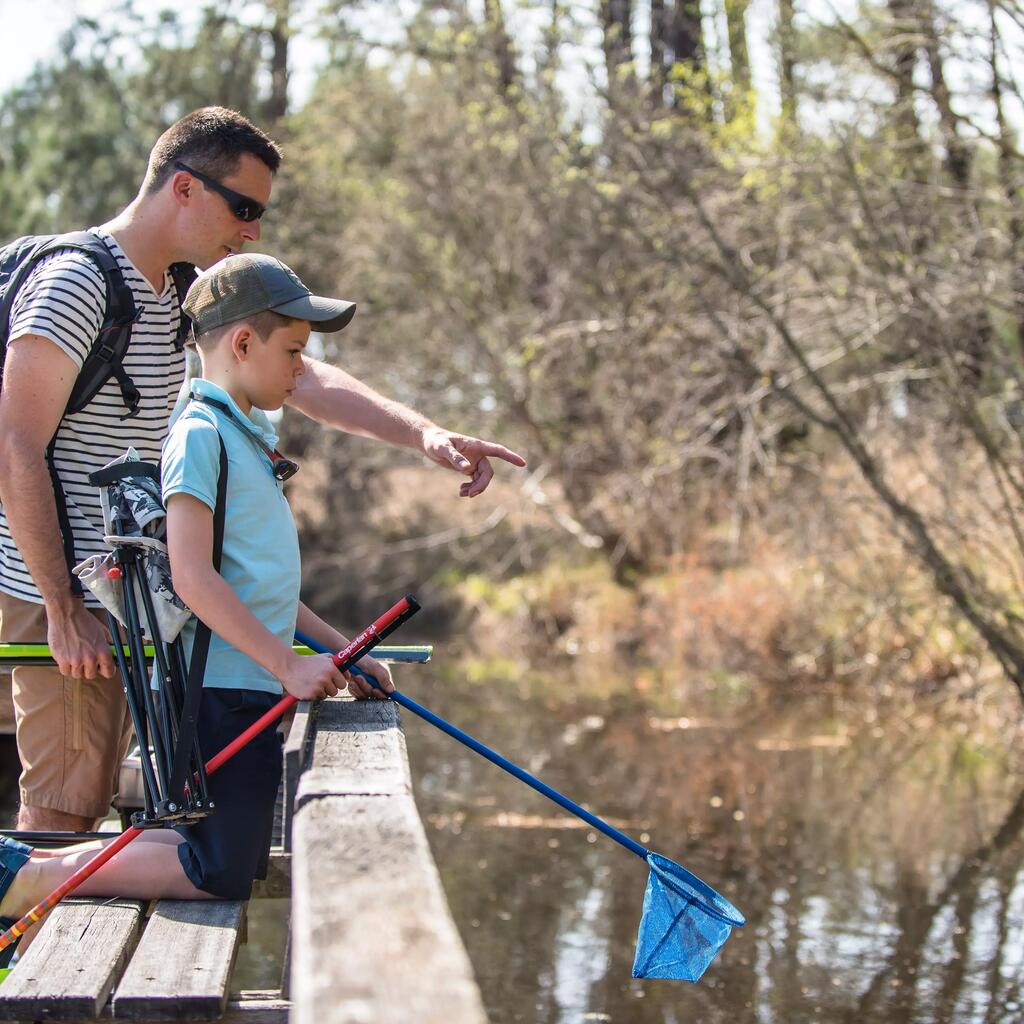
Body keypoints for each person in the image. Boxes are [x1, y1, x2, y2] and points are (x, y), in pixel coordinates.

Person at [0, 107, 526, 835]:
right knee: (60, 810)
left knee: (89, 800)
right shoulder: (78, 286)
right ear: (183, 188)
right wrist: (60, 611)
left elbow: (302, 378)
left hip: (124, 598)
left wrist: (426, 434)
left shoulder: (176, 288)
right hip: (60, 595)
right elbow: (15, 447)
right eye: (243, 208)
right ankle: (30, 943)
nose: (251, 231)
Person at [0, 253, 398, 933]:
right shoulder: (200, 435)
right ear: (243, 344)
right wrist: (286, 665)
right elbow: (192, 577)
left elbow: (266, 590)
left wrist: (340, 650)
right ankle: (27, 877)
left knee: (223, 855)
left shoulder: (244, 438)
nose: (302, 369)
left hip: (246, 683)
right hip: (216, 690)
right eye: (295, 352)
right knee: (219, 868)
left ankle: (24, 870)